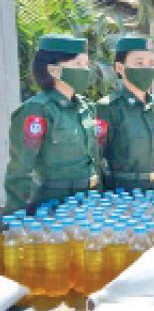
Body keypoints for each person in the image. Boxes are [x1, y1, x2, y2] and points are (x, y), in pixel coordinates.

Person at [3, 34, 99, 213]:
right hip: (51, 208)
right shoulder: (38, 110)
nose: (85, 70)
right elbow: (21, 168)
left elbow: (93, 160)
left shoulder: (86, 107)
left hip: (87, 203)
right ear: (54, 70)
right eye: (78, 64)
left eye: (86, 64)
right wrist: (14, 216)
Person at [96, 35, 154, 192]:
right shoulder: (108, 108)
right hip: (123, 194)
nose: (147, 69)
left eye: (151, 63)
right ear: (120, 68)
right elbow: (96, 159)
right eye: (139, 63)